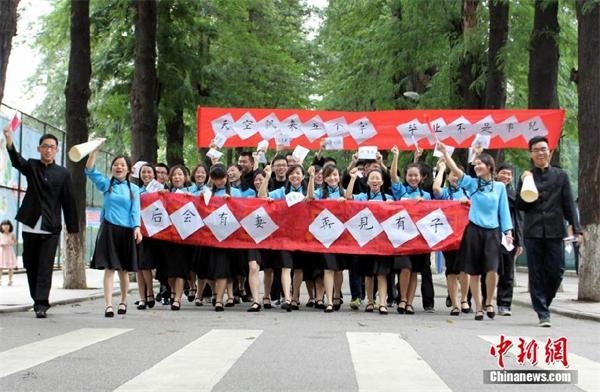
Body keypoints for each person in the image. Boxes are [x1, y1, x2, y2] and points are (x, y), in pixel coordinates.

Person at [4, 125, 79, 318]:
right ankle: (36, 298)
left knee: (45, 266)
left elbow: (68, 201)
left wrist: (72, 229)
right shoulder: (32, 166)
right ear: (39, 149)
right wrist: (9, 139)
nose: (48, 150)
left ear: (57, 150)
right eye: (45, 146)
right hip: (30, 224)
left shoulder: (63, 173)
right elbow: (16, 160)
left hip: (51, 227)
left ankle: (41, 303)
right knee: (31, 265)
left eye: (52, 147)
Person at [438, 142, 513, 321]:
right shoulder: (471, 184)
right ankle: (478, 307)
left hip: (493, 232)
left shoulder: (499, 187)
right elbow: (455, 170)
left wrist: (508, 231)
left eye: (480, 163)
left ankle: (489, 302)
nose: (477, 166)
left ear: (489, 167)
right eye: (476, 163)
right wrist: (445, 154)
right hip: (473, 231)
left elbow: (504, 211)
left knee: (493, 269)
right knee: (474, 271)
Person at [516, 136, 582, 327]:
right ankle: (543, 313)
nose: (541, 153)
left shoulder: (560, 176)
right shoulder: (527, 176)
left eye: (544, 149)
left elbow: (568, 203)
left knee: (557, 270)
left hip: (555, 230)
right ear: (531, 154)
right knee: (536, 272)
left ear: (549, 151)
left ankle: (544, 301)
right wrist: (525, 184)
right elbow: (521, 205)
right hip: (533, 231)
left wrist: (577, 228)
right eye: (536, 150)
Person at [85, 148, 142, 317]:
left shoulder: (134, 189)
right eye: (116, 164)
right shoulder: (107, 185)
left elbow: (135, 210)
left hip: (126, 231)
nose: (119, 167)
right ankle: (108, 305)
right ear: (112, 168)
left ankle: (123, 301)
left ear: (128, 169)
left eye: (122, 165)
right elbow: (89, 170)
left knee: (123, 270)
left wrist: (137, 228)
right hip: (109, 229)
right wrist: (93, 152)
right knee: (109, 268)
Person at [493, 163, 523, 316]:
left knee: (507, 272)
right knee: (488, 269)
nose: (506, 176)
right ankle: (485, 301)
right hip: (490, 235)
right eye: (503, 173)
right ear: (496, 174)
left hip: (508, 238)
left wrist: (520, 241)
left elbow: (518, 219)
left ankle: (504, 304)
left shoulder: (513, 195)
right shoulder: (490, 191)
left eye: (509, 174)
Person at [0, 219, 17, 286]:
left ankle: (10, 280)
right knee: (0, 267)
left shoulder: (12, 234)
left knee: (10, 267)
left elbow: (15, 242)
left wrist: (10, 243)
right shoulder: (0, 234)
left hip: (9, 252)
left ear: (10, 226)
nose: (5, 227)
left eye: (7, 225)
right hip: (2, 252)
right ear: (1, 226)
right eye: (3, 225)